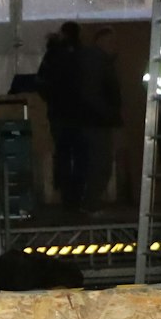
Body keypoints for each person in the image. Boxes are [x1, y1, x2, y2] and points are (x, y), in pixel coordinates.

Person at [37, 22, 86, 209]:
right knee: (80, 155)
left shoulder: (53, 54)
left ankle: (67, 196)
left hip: (58, 112)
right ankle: (76, 195)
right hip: (78, 112)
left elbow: (41, 81)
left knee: (64, 153)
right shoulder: (80, 54)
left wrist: (53, 99)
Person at [76, 28, 122, 212]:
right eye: (110, 41)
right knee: (100, 164)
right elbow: (93, 94)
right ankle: (91, 204)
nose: (114, 46)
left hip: (95, 120)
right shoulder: (98, 63)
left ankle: (90, 203)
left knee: (99, 163)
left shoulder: (96, 61)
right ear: (101, 41)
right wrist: (108, 113)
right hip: (97, 122)